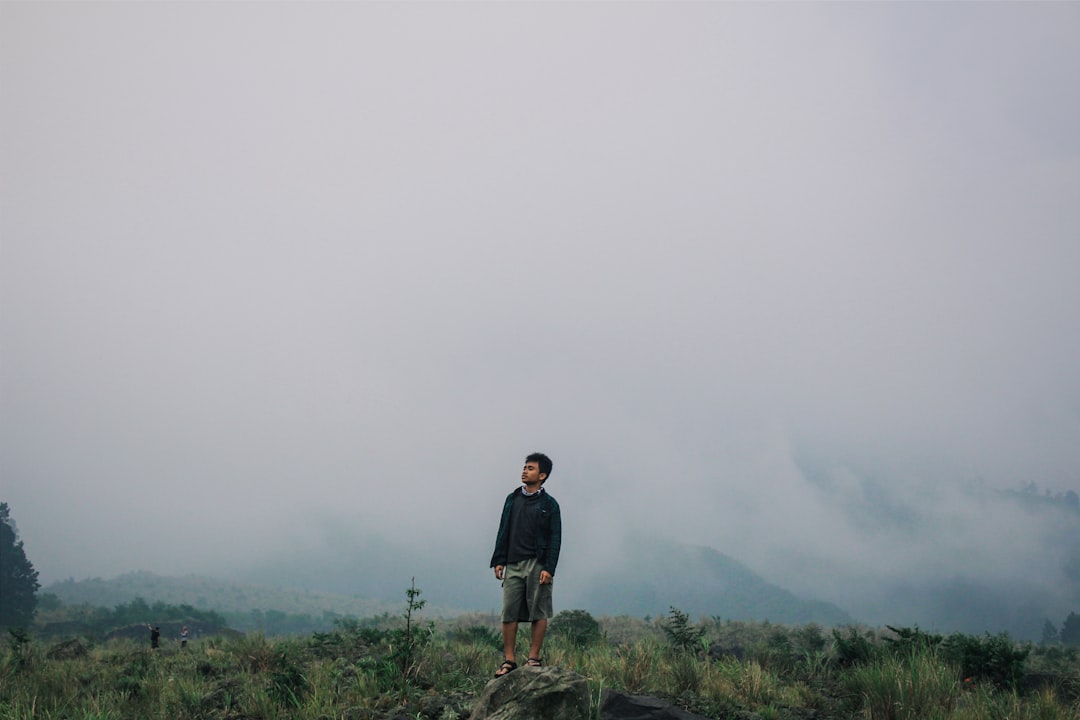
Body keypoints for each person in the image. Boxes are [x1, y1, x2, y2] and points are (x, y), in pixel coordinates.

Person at [489, 452, 561, 677]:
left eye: (530, 468)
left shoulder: (549, 504)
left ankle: (533, 658)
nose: (524, 471)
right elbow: (504, 529)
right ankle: (509, 660)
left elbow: (555, 538)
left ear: (542, 475)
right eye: (524, 467)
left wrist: (549, 568)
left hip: (537, 564)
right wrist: (499, 559)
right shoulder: (512, 499)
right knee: (509, 612)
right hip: (513, 562)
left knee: (538, 611)